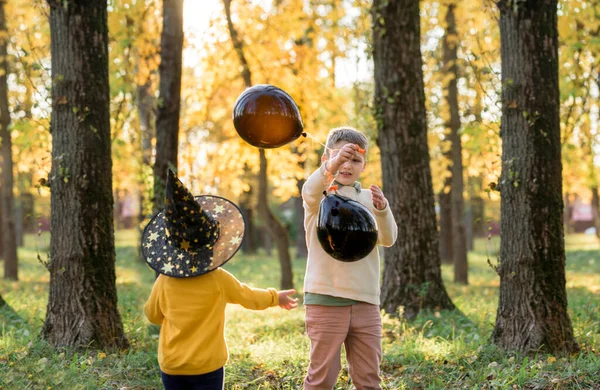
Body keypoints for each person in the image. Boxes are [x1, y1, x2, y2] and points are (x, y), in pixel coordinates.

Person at [143, 169, 298, 390]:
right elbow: (248, 297)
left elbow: (152, 316)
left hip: (172, 365)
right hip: (208, 366)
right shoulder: (218, 279)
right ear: (211, 245)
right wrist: (275, 297)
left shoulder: (164, 281)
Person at [302, 127, 398, 389]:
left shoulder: (368, 199)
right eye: (342, 157)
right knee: (321, 378)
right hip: (326, 299)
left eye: (355, 160)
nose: (348, 164)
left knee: (369, 378)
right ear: (327, 160)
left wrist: (382, 210)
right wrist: (331, 166)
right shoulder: (319, 197)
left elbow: (388, 239)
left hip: (366, 300)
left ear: (364, 166)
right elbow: (310, 189)